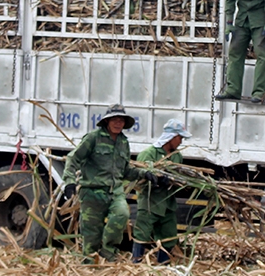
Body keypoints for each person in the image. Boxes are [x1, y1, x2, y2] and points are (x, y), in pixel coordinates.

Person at [61, 104, 148, 261]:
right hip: (92, 193)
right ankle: (90, 266)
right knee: (91, 235)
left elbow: (125, 171)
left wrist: (144, 174)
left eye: (121, 120)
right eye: (114, 119)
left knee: (122, 214)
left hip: (115, 192)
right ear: (107, 121)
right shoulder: (93, 138)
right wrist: (69, 182)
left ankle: (108, 253)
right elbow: (73, 158)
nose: (118, 123)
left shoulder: (123, 142)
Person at [133, 118, 192, 263]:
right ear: (171, 137)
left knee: (169, 235)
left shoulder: (176, 156)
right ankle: (136, 263)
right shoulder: (149, 154)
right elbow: (138, 179)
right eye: (180, 138)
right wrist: (156, 180)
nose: (181, 141)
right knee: (142, 234)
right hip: (150, 203)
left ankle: (163, 265)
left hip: (168, 204)